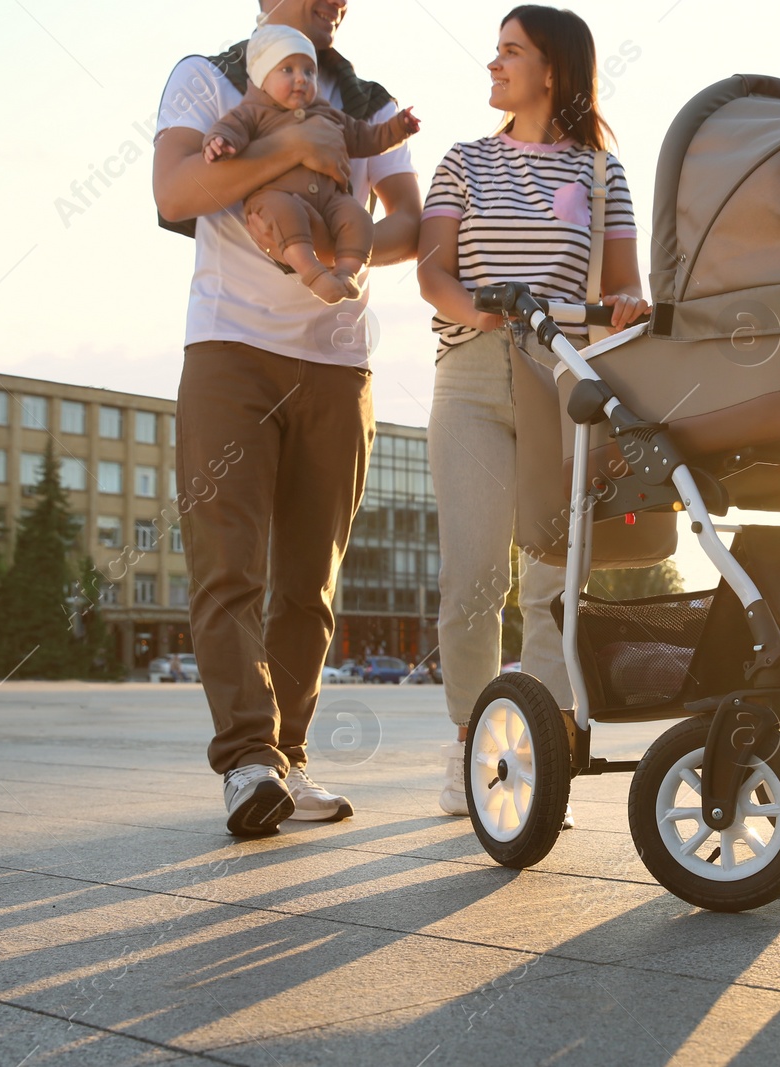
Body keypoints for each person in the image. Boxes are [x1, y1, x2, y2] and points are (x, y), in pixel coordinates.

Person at [152, 0, 420, 837]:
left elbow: (409, 220)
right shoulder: (207, 78)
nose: (334, 3)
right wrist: (287, 151)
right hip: (231, 348)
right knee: (228, 565)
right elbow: (175, 189)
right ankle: (246, 759)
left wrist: (338, 241)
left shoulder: (367, 100)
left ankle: (287, 758)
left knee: (310, 583)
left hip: (338, 361)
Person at [416, 5, 650, 818]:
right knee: (475, 575)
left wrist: (624, 309)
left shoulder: (599, 173)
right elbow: (432, 272)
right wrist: (481, 312)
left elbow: (625, 286)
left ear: (551, 70)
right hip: (473, 374)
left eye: (509, 52)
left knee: (553, 577)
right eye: (495, 51)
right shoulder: (464, 160)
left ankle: (538, 751)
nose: (493, 64)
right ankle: (467, 745)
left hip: (564, 376)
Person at [204, 24, 420, 303]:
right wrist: (220, 143)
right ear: (262, 78)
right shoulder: (253, 113)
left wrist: (398, 128)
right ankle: (315, 275)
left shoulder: (327, 113)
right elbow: (231, 129)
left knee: (359, 218)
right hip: (274, 195)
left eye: (309, 72)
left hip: (331, 198)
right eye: (287, 70)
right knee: (286, 214)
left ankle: (346, 273)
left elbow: (365, 137)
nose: (301, 79)